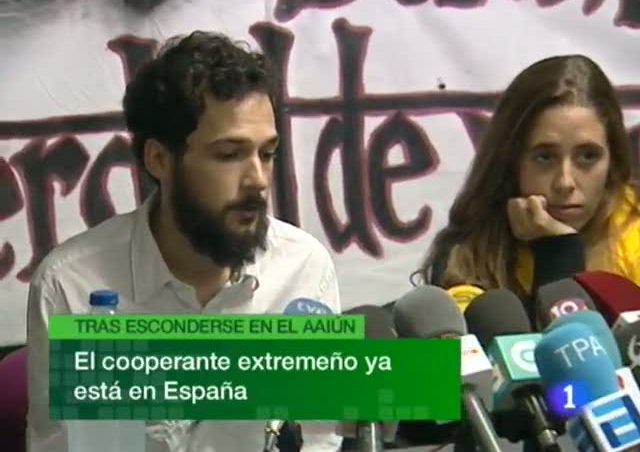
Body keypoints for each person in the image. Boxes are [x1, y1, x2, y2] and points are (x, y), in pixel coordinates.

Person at [26, 31, 342, 451]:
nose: (258, 181)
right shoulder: (69, 287)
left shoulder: (304, 269)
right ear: (159, 160)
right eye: (228, 155)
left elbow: (319, 440)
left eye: (266, 154)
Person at [418, 54, 640, 303]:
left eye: (588, 156)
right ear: (510, 161)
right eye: (545, 157)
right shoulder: (468, 253)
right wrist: (558, 252)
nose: (565, 182)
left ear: (613, 159)